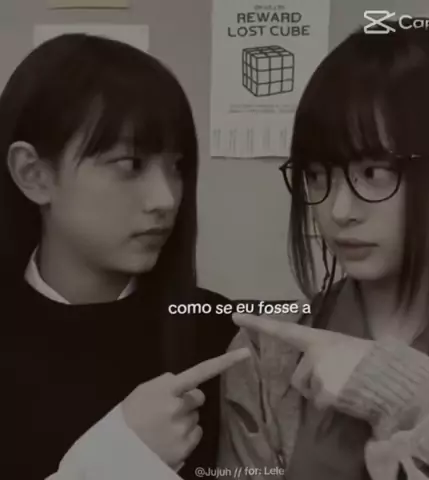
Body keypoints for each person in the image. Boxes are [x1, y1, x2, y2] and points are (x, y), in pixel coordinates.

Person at [218, 20, 429, 479]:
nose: (338, 210)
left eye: (375, 173)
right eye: (318, 175)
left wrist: (424, 408)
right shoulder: (265, 355)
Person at [0, 33, 248, 480]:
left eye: (177, 167)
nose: (166, 199)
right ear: (33, 175)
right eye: (130, 165)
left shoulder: (219, 335)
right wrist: (120, 458)